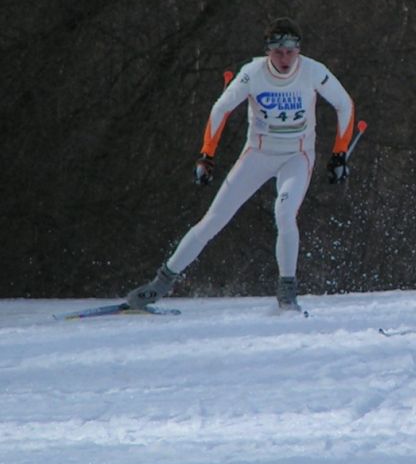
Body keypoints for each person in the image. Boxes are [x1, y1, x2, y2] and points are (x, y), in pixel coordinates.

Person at [126, 17, 355, 312]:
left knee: (284, 214)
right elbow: (221, 108)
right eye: (278, 51)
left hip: (297, 156)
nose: (284, 59)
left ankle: (287, 292)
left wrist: (339, 152)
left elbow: (344, 103)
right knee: (214, 219)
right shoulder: (253, 73)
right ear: (268, 51)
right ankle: (160, 284)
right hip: (257, 153)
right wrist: (207, 155)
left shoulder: (313, 71)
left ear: (298, 50)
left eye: (290, 51)